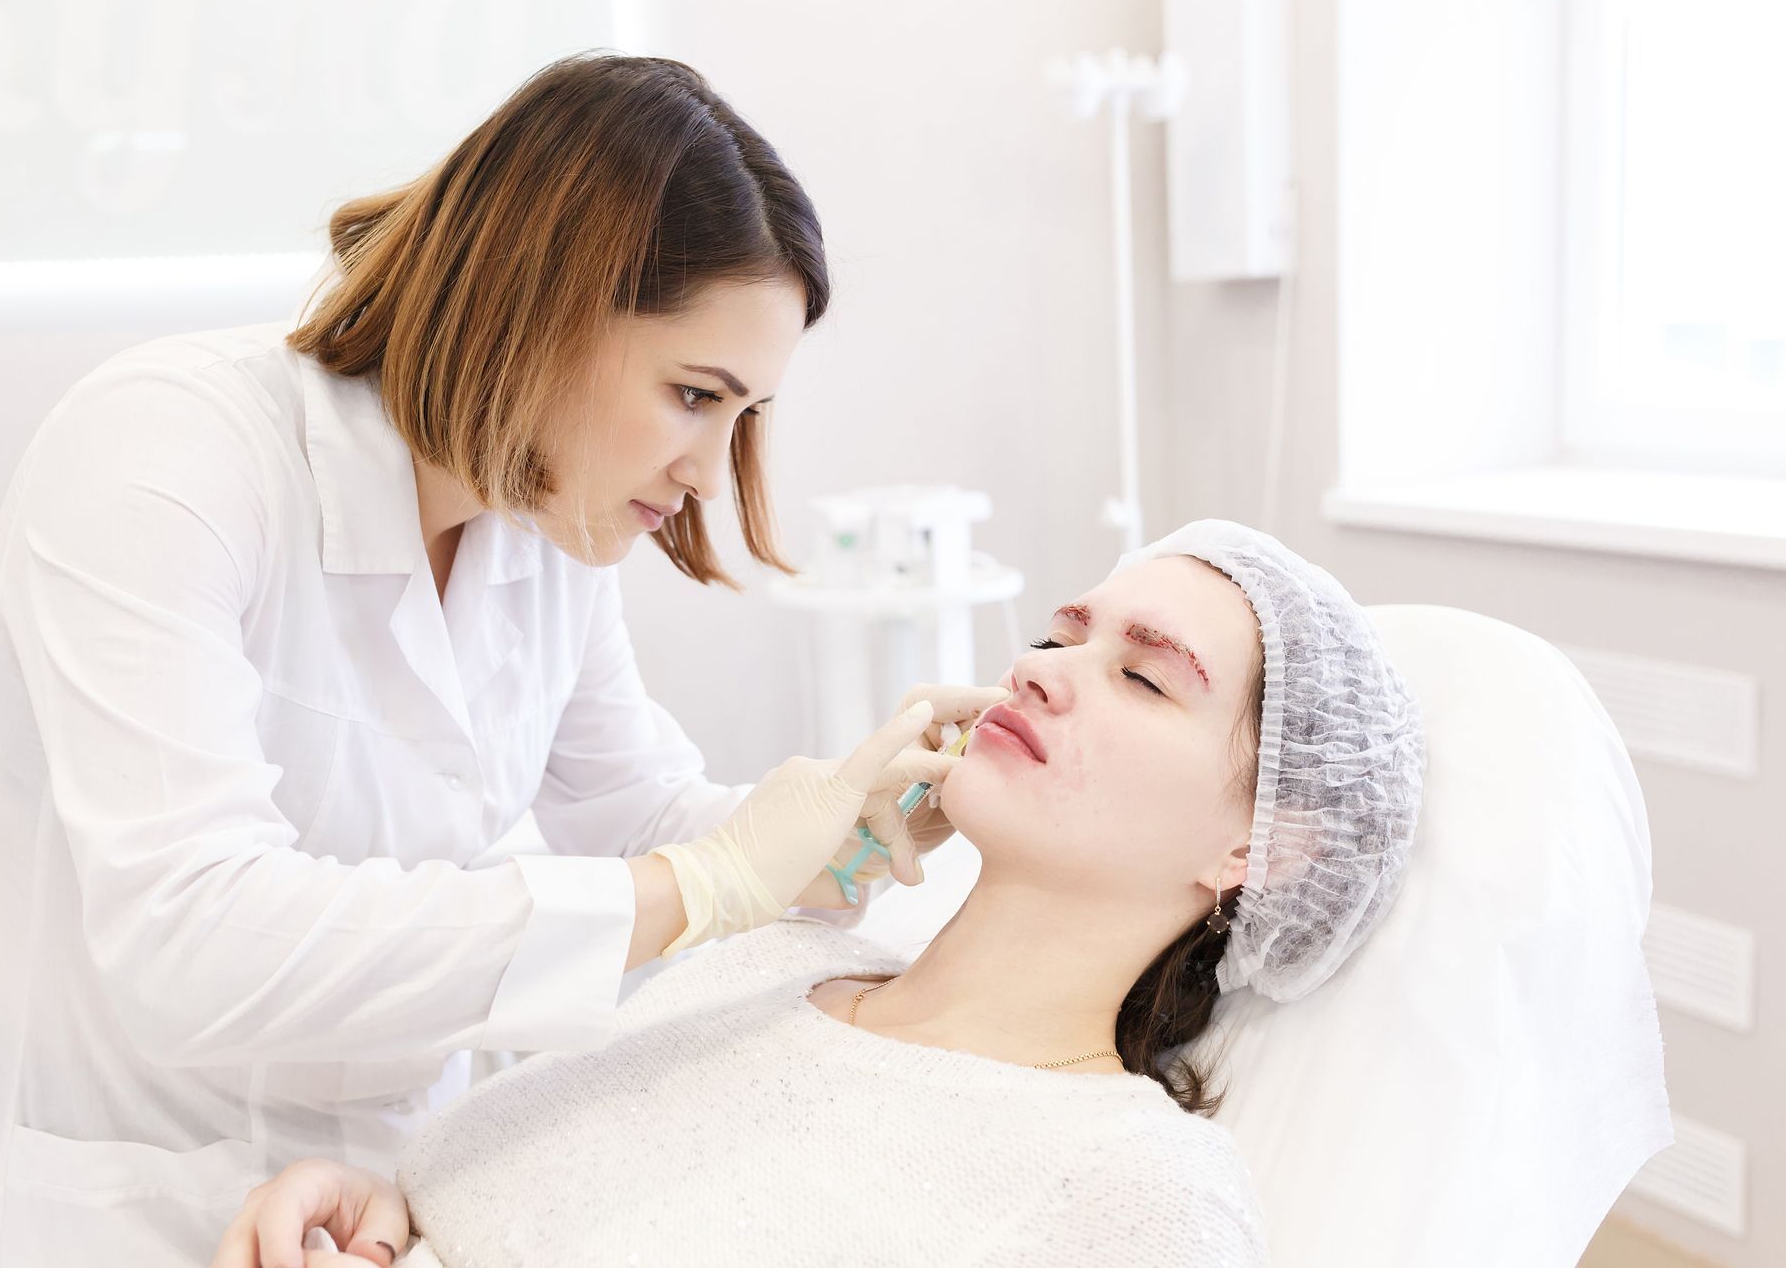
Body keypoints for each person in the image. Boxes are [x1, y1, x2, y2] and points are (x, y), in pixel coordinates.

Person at [0, 52, 1007, 1267]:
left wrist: (829, 835)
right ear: (535, 304)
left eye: (744, 415)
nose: (708, 471)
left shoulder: (541, 529)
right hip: (121, 1207)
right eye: (694, 393)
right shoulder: (167, 454)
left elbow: (634, 812)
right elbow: (190, 934)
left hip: (389, 1207)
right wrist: (715, 881)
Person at [214, 519, 1428, 1267]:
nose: (1043, 671)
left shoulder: (1131, 1192)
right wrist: (370, 1205)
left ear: (1265, 849)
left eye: (1146, 678)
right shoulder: (770, 962)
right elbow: (518, 1201)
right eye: (1063, 636)